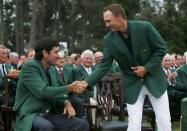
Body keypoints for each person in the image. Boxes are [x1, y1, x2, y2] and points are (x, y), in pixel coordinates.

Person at [81, 3, 171, 131]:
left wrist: (146, 68)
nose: (106, 25)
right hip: (132, 85)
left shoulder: (145, 27)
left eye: (108, 21)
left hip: (156, 82)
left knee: (165, 123)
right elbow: (104, 65)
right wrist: (86, 82)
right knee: (134, 126)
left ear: (119, 17)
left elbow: (161, 49)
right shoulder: (109, 40)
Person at [13, 37, 89, 131]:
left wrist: (66, 102)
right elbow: (43, 92)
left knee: (82, 124)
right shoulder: (30, 67)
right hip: (30, 115)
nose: (58, 55)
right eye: (56, 52)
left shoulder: (52, 69)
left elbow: (57, 90)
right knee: (46, 126)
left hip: (48, 114)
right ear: (45, 53)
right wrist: (70, 87)